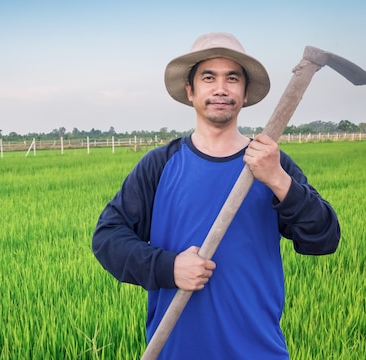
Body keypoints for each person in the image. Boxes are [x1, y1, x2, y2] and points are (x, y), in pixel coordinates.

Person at [91, 32, 341, 359]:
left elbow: (323, 240)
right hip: (176, 350)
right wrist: (169, 267)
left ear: (245, 92)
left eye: (232, 78)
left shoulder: (271, 163)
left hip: (258, 351)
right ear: (191, 90)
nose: (220, 88)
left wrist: (279, 180)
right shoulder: (161, 164)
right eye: (209, 77)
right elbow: (107, 238)